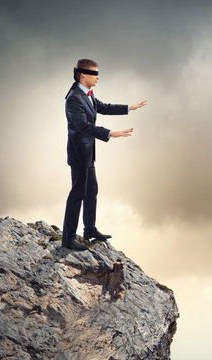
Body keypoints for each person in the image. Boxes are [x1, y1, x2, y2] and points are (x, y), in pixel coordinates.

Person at [62, 58, 147, 250]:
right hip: (79, 154)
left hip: (88, 153)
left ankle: (90, 229)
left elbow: (103, 107)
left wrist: (129, 108)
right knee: (77, 193)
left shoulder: (88, 94)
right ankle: (68, 238)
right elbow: (83, 126)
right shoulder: (74, 98)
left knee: (91, 190)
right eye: (94, 73)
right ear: (83, 75)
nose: (98, 77)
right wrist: (110, 133)